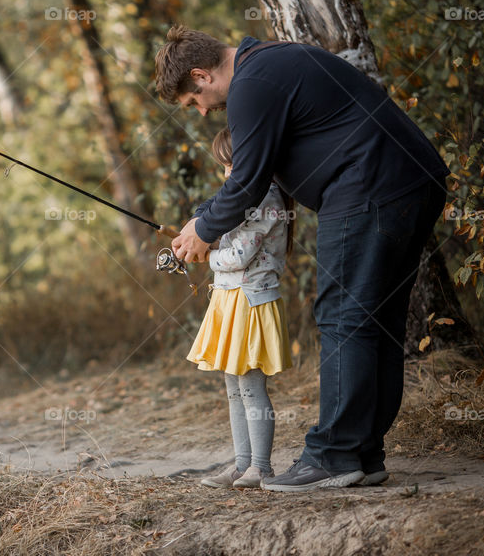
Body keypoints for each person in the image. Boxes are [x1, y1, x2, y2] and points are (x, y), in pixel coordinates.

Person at [154, 25, 449, 492]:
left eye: (195, 101)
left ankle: (334, 456)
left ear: (200, 75)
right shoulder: (271, 61)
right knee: (377, 320)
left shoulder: (251, 83)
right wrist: (202, 221)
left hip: (370, 185)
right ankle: (363, 454)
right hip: (410, 179)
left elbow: (247, 183)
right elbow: (250, 176)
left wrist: (202, 232)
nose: (203, 110)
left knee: (342, 317)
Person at [189, 129, 294, 489]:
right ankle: (242, 464)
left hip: (251, 301)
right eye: (224, 165)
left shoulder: (266, 198)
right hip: (229, 299)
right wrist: (198, 230)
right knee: (233, 386)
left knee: (251, 387)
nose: (227, 173)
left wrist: (207, 254)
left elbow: (239, 255)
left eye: (232, 164)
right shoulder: (243, 195)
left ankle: (261, 467)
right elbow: (215, 218)